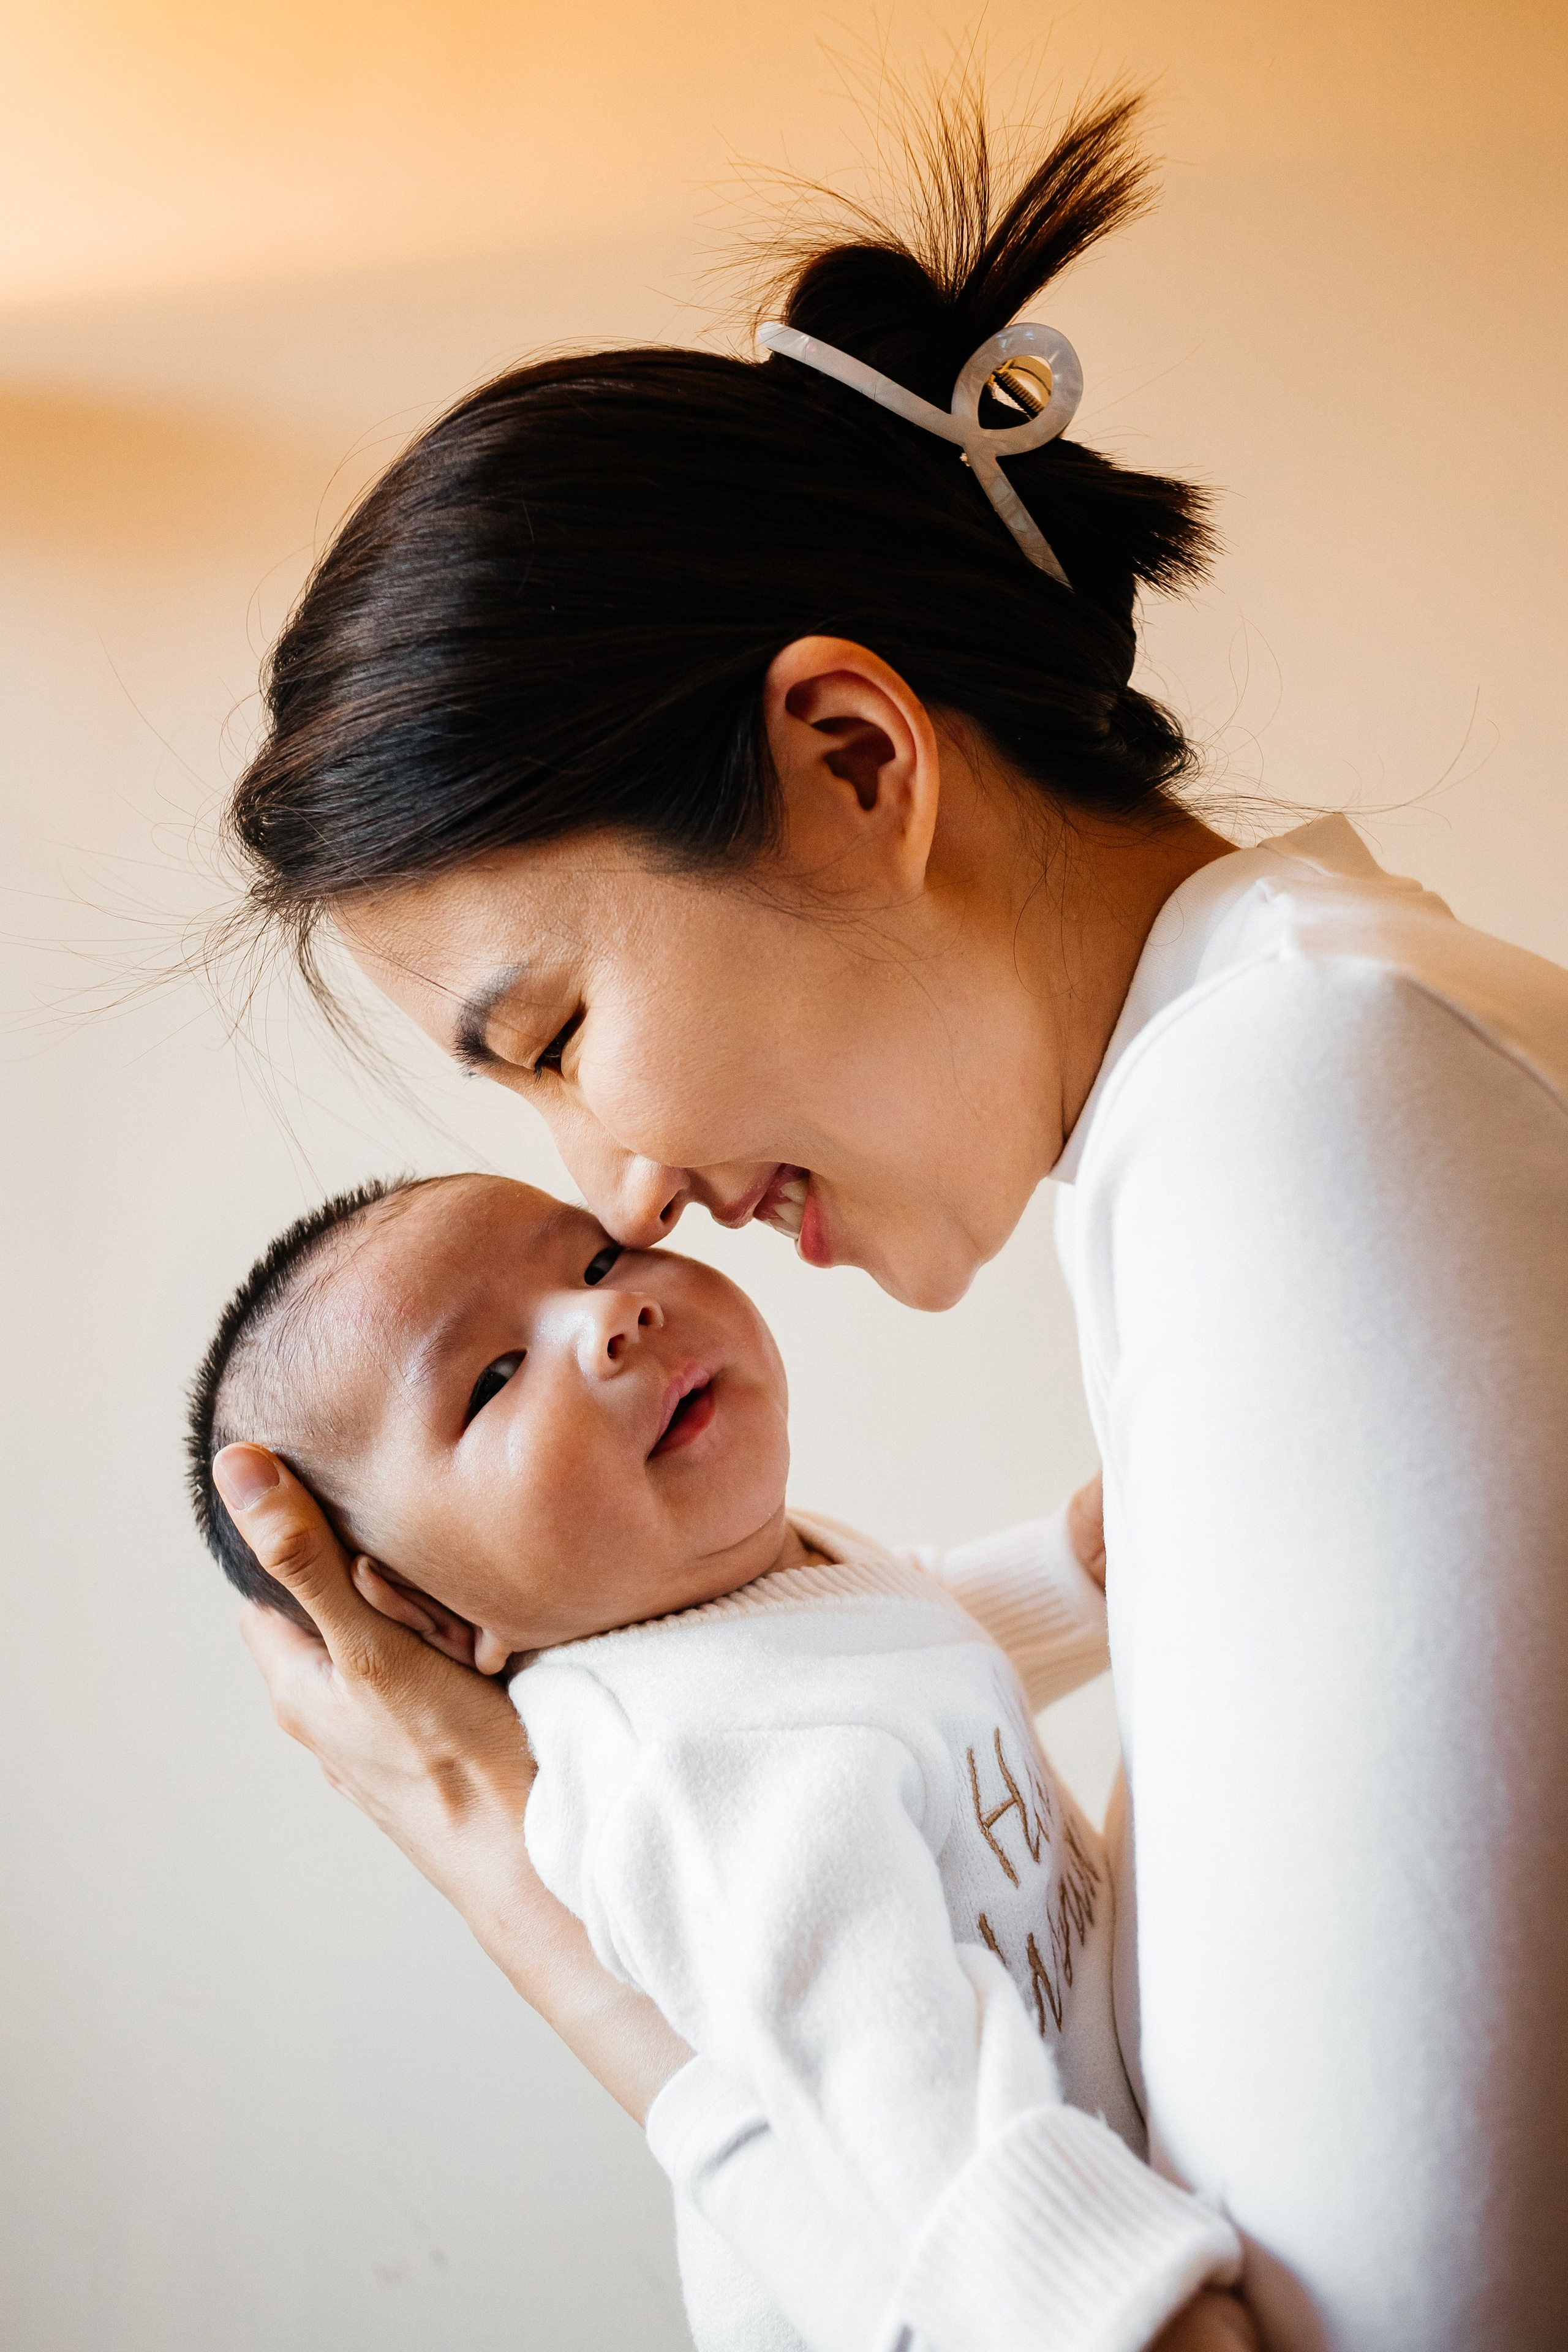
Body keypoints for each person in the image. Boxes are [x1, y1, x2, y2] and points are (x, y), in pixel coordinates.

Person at [208, 88, 1568, 2351]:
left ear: (854, 758)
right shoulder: (1268, 1073)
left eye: (553, 1031)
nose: (621, 1196)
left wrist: (528, 1901)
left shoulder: (1301, 1112)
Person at [191, 1169, 1240, 2350]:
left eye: (593, 1262)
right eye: (490, 1379)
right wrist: (1121, 2311)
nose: (605, 1319)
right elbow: (889, 2081)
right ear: (427, 1616)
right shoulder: (685, 1772)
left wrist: (1074, 1567)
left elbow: (889, 1665)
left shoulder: (750, 1602)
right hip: (1023, 2275)